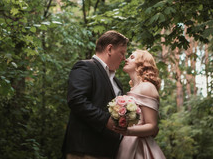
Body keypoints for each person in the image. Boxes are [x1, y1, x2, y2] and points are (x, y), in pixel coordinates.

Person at [62, 30, 129, 159]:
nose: (124, 58)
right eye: (122, 53)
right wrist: (105, 120)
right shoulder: (85, 67)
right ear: (109, 49)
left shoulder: (117, 83)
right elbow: (76, 100)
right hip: (84, 150)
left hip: (109, 151)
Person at [114, 49, 166, 159]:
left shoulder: (147, 87)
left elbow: (152, 126)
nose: (126, 59)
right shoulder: (134, 88)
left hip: (139, 146)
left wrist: (127, 131)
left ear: (142, 64)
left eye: (132, 57)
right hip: (127, 143)